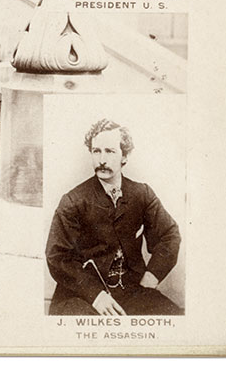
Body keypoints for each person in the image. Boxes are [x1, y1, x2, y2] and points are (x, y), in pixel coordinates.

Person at [45, 118, 183, 316]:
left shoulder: (141, 194)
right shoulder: (73, 201)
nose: (102, 159)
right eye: (96, 151)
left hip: (131, 292)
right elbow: (57, 257)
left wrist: (152, 276)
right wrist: (95, 295)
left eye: (110, 151)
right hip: (82, 295)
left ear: (124, 156)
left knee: (173, 318)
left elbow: (170, 235)